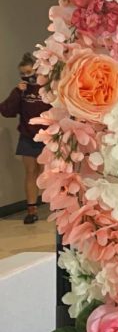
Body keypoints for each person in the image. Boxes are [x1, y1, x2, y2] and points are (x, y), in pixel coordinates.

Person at [1, 52, 52, 224]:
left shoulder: (47, 88)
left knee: (46, 173)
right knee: (30, 172)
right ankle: (31, 210)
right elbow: (6, 111)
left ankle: (54, 206)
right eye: (23, 73)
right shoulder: (20, 92)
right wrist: (17, 92)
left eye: (30, 72)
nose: (27, 76)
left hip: (47, 137)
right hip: (27, 136)